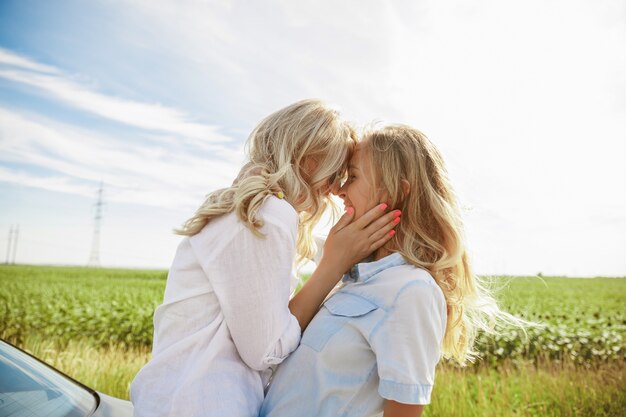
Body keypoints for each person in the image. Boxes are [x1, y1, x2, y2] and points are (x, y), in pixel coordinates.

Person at [129, 99, 400, 417]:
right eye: (336, 171)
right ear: (310, 160)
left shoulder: (245, 208)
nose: (332, 190)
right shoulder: (269, 212)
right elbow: (265, 350)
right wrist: (332, 267)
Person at [260, 124, 523, 417]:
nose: (340, 191)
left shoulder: (412, 291)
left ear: (397, 191)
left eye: (354, 176)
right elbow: (273, 343)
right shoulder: (354, 278)